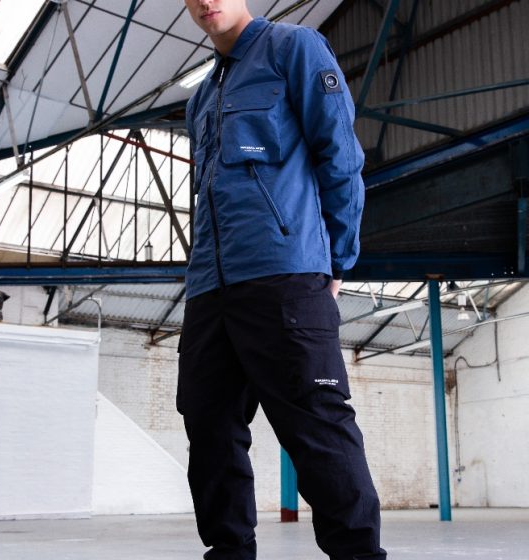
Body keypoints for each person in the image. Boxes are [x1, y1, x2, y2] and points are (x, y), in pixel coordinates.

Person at [177, 1, 387, 559]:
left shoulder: (294, 49)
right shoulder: (200, 97)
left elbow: (340, 157)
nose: (205, 1)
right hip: (209, 288)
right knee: (209, 430)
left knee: (318, 427)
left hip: (285, 273)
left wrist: (337, 261)